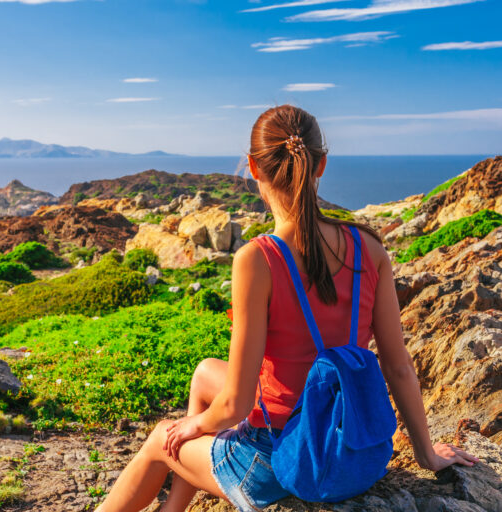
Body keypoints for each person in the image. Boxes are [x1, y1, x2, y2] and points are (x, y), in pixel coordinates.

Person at [96, 105, 479, 512]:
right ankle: (174, 508)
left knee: (161, 437)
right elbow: (399, 366)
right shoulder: (368, 247)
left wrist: (193, 426)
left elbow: (235, 405)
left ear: (253, 167)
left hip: (281, 459)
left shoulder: (257, 260)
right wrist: (426, 454)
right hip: (355, 451)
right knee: (205, 373)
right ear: (321, 165)